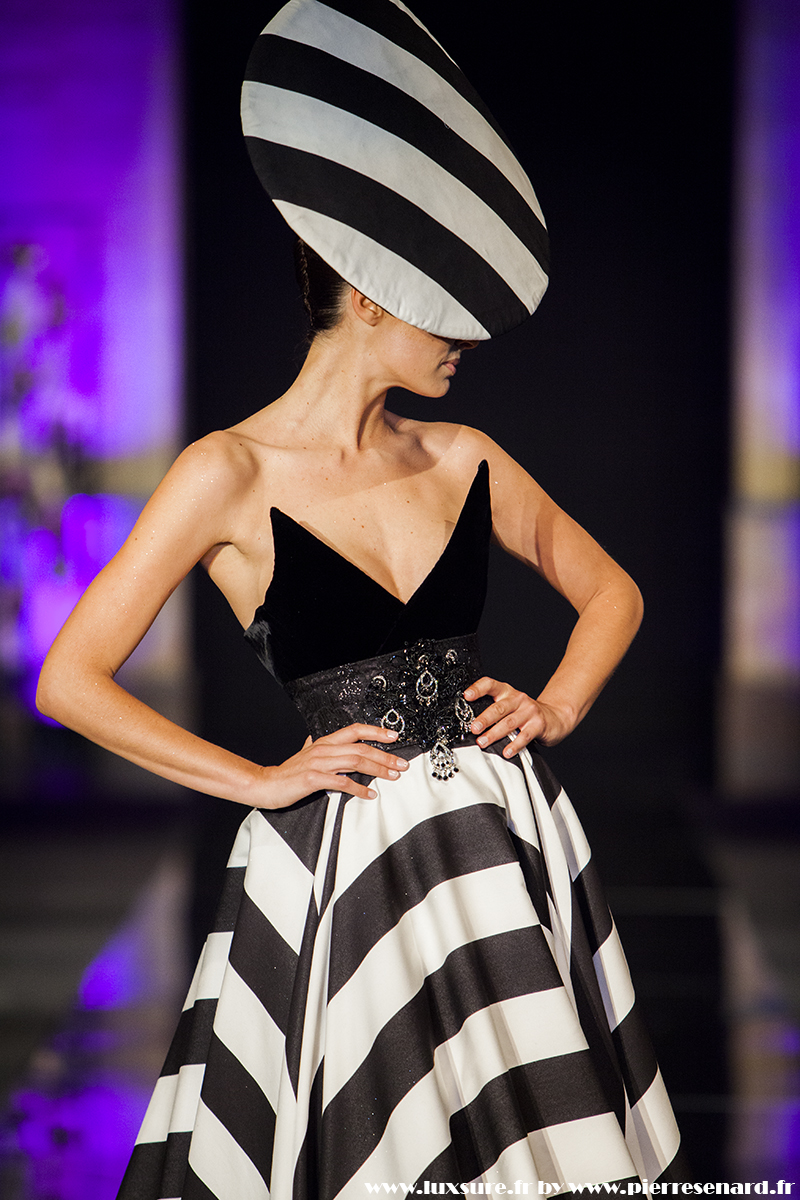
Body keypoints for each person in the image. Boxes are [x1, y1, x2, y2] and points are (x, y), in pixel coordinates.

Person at [37, 2, 688, 1195]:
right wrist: (257, 780)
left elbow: (611, 592)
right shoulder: (225, 473)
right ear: (371, 296)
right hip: (350, 862)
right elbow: (70, 680)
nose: (468, 336)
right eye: (445, 303)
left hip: (498, 835)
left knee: (534, 1150)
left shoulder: (463, 455)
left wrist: (556, 705)